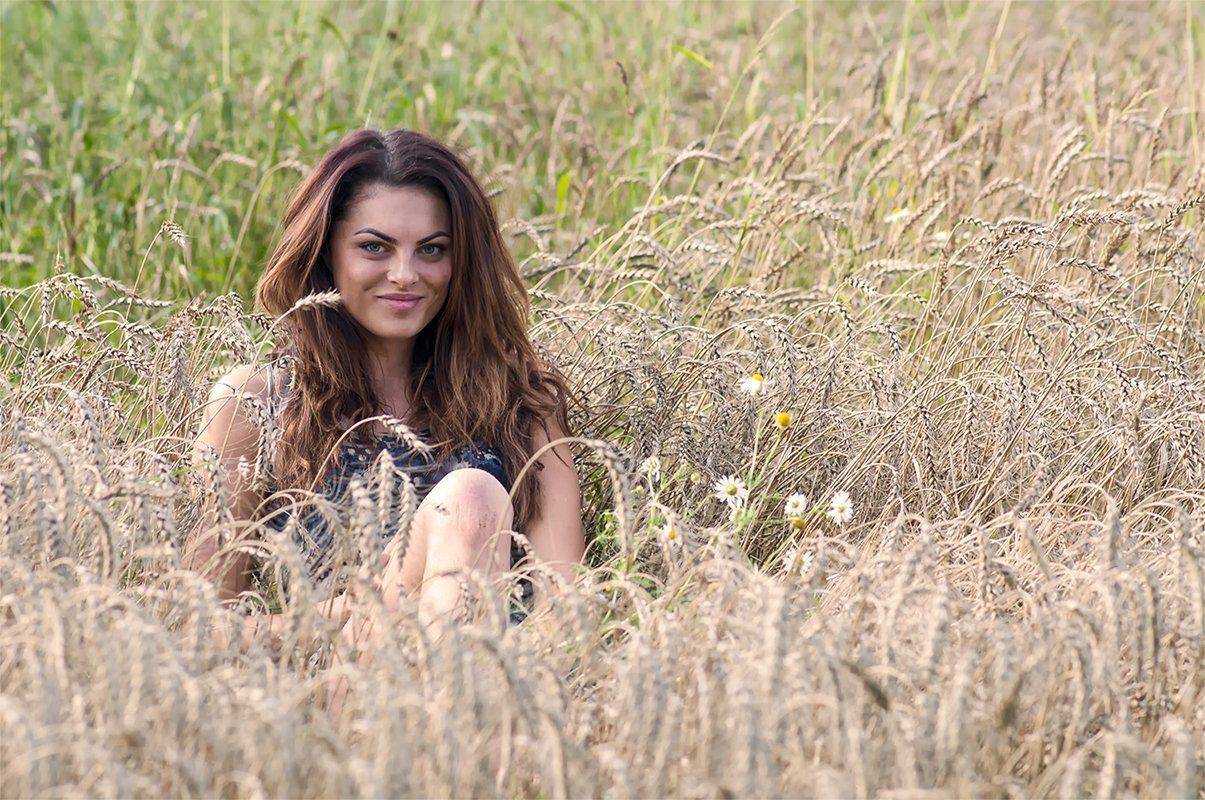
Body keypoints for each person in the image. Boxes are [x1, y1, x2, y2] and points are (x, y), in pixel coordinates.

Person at [183, 128, 586, 663]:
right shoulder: (255, 405)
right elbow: (195, 628)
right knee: (472, 497)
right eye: (374, 247)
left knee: (470, 499)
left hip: (493, 700)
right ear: (327, 254)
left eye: (432, 250)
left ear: (460, 261)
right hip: (329, 697)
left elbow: (568, 622)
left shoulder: (519, 407)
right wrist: (363, 612)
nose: (405, 275)